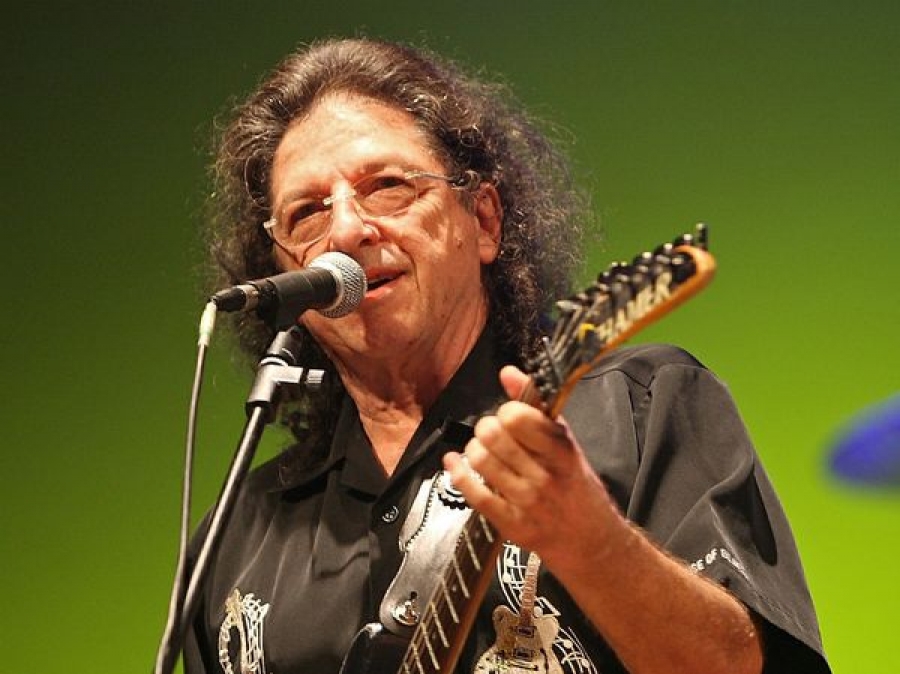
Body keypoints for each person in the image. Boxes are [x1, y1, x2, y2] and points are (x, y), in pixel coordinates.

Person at [184, 37, 830, 674]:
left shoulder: (638, 405)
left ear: (485, 222)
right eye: (307, 213)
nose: (347, 231)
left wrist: (593, 543)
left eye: (387, 186)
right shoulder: (235, 539)